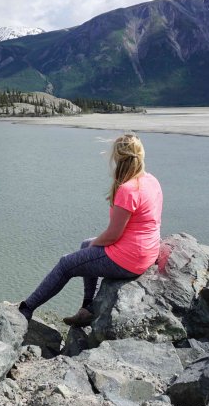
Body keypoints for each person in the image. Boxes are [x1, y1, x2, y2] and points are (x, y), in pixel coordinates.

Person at [18, 133, 162, 326]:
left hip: (130, 258)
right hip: (147, 252)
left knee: (66, 264)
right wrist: (91, 246)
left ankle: (26, 309)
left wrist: (95, 245)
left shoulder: (128, 189)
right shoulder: (151, 181)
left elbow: (112, 235)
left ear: (118, 158)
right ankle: (87, 308)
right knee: (85, 245)